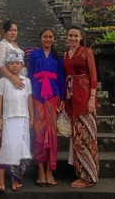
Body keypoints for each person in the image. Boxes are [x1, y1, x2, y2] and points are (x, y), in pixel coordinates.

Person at [63, 23, 99, 188]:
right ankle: (80, 173)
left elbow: (93, 76)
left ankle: (89, 176)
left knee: (86, 137)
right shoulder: (65, 54)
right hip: (71, 98)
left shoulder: (87, 52)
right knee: (77, 138)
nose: (73, 38)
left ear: (81, 37)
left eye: (76, 36)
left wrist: (92, 98)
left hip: (85, 98)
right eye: (70, 35)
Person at [28, 27, 65, 187]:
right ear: (40, 38)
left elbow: (61, 78)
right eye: (45, 37)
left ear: (54, 39)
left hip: (53, 96)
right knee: (39, 132)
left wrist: (63, 97)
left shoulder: (58, 57)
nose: (48, 39)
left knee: (52, 133)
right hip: (37, 96)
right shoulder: (34, 55)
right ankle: (40, 170)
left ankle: (50, 170)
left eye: (50, 37)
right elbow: (29, 76)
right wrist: (27, 96)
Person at [0, 52, 34, 192]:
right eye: (11, 63)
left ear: (22, 65)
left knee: (20, 148)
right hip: (8, 118)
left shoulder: (27, 81)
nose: (15, 65)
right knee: (7, 146)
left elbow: (29, 100)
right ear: (7, 65)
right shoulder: (3, 81)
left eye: (17, 63)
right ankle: (0, 178)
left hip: (23, 118)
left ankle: (15, 178)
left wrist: (32, 117)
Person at [0, 20, 27, 89]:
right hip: (8, 80)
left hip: (20, 78)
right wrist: (12, 78)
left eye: (15, 30)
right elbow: (0, 65)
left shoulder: (16, 45)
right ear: (4, 32)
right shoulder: (1, 45)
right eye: (10, 30)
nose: (13, 33)